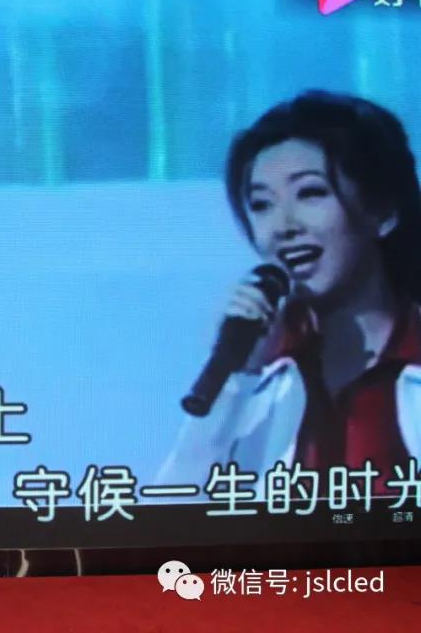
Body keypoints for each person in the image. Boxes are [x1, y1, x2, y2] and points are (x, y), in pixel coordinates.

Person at [158, 90, 421, 498]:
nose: (283, 226)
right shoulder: (257, 372)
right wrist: (236, 382)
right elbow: (170, 514)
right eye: (261, 204)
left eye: (311, 193)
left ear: (383, 211)